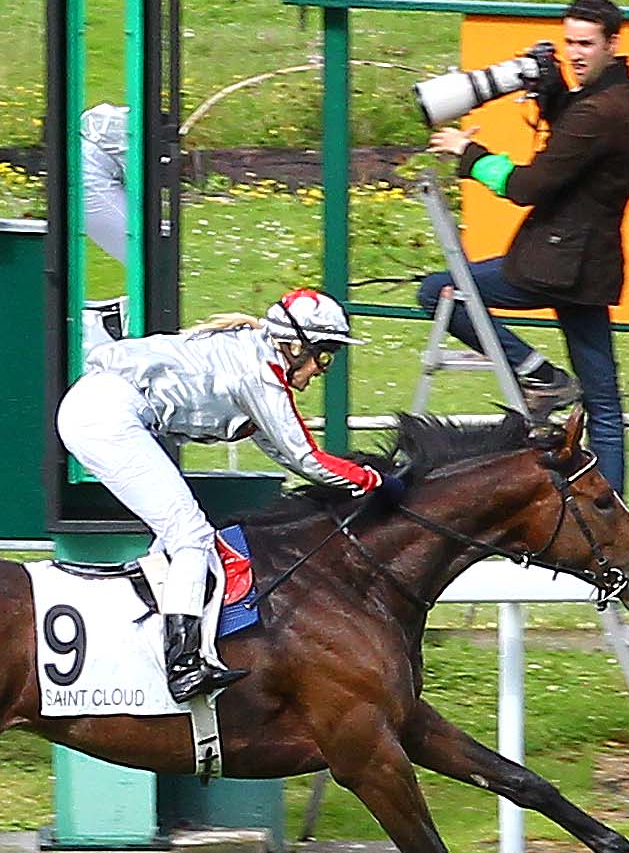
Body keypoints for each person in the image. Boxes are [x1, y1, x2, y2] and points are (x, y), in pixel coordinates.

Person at [53, 288, 382, 703]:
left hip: (104, 410)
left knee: (176, 539)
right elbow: (307, 458)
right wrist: (377, 482)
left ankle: (150, 644)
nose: (322, 368)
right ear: (295, 345)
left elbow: (284, 450)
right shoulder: (260, 374)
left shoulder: (254, 359)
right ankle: (182, 666)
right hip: (107, 417)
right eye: (324, 353)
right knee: (190, 535)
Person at [415, 0, 629, 488]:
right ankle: (612, 508)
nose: (576, 53)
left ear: (612, 44)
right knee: (603, 402)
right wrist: (555, 91)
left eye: (586, 43)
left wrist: (468, 152)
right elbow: (575, 143)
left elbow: (528, 187)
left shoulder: (597, 113)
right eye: (570, 43)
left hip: (553, 265)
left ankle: (538, 374)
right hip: (589, 267)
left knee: (438, 294)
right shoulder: (618, 96)